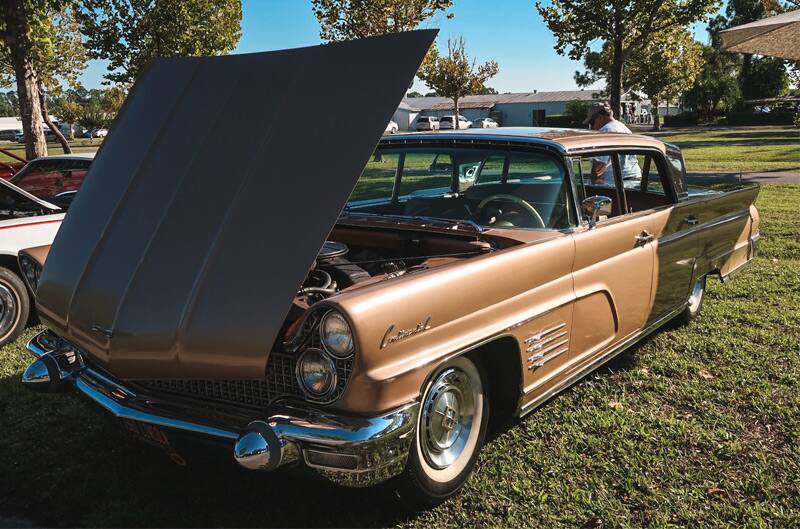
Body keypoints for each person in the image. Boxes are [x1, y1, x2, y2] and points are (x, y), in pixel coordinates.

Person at [582, 101, 641, 187]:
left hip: (616, 184)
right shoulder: (623, 128)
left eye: (591, 122)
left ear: (600, 117)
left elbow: (599, 166)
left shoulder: (605, 132)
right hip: (634, 181)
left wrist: (593, 187)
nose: (592, 127)